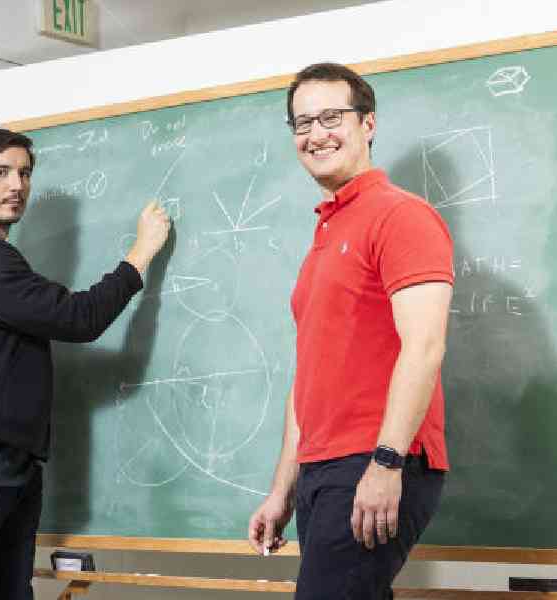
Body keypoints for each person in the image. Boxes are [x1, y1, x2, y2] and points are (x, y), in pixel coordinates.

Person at [0, 127, 170, 600]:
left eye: (25, 174)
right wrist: (141, 254)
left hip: (4, 463)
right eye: (1, 172)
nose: (16, 186)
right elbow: (77, 318)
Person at [247, 63, 454, 599]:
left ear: (369, 124)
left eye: (332, 117)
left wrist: (387, 463)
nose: (317, 134)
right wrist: (282, 490)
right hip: (322, 470)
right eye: (302, 123)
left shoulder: (401, 216)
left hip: (378, 459)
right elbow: (308, 377)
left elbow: (425, 347)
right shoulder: (327, 231)